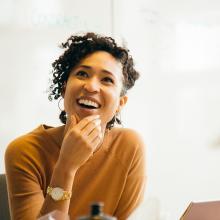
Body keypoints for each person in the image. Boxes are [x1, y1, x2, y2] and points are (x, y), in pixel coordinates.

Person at [5, 32, 146, 220]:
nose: (91, 87)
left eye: (107, 79)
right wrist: (66, 166)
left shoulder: (129, 146)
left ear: (120, 103)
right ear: (64, 89)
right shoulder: (24, 151)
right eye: (82, 74)